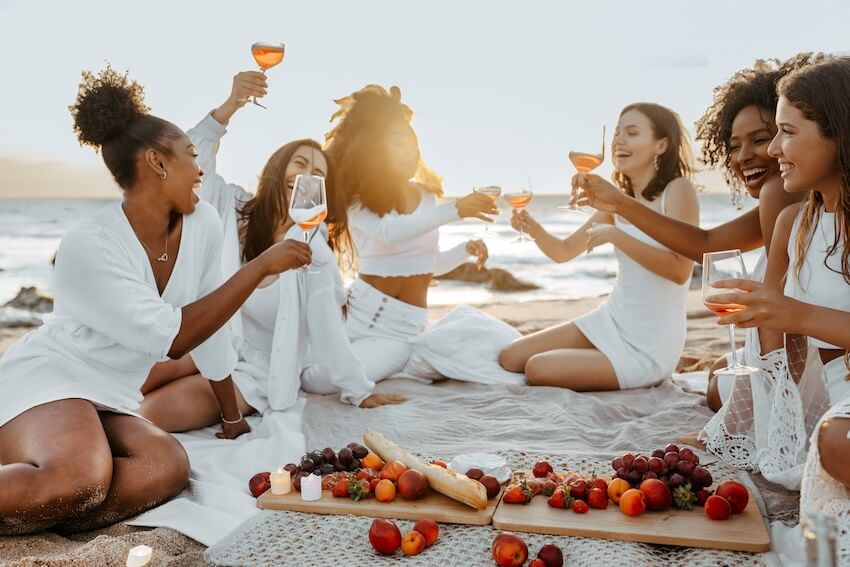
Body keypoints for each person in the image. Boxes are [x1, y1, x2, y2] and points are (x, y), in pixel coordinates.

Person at [0, 67, 311, 534]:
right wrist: (261, 266)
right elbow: (174, 335)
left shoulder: (203, 223)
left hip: (111, 398)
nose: (200, 166)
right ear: (157, 164)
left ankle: (49, 505)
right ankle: (54, 485)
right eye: (190, 155)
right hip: (53, 380)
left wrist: (231, 416)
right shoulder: (89, 244)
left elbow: (210, 327)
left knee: (165, 465)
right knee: (80, 476)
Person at [139, 72, 403, 428]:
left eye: (318, 174)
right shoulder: (232, 208)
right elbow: (188, 162)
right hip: (210, 341)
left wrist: (359, 391)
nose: (307, 176)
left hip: (257, 372)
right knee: (132, 379)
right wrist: (229, 108)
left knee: (151, 415)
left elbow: (328, 330)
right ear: (280, 168)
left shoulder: (312, 248)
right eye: (300, 164)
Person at [576, 54, 824, 408]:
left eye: (762, 138)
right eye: (735, 145)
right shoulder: (794, 197)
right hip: (805, 349)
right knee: (717, 373)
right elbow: (705, 245)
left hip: (802, 359)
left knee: (715, 390)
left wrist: (775, 409)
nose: (745, 156)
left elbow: (779, 317)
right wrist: (621, 204)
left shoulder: (777, 192)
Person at [702, 58, 849, 497]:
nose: (772, 150)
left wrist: (793, 315)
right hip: (827, 393)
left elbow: (793, 315)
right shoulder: (792, 222)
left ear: (838, 132)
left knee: (836, 443)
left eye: (787, 132)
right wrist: (762, 322)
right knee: (725, 388)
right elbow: (776, 344)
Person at [499, 103, 699, 391]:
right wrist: (532, 227)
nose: (619, 140)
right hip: (612, 319)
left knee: (537, 367)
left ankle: (609, 364)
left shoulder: (678, 191)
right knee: (510, 356)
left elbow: (680, 270)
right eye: (617, 133)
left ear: (661, 145)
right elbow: (563, 251)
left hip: (648, 344)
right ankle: (596, 360)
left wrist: (617, 236)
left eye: (631, 133)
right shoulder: (616, 201)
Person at [322, 84, 496, 382]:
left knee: (335, 380)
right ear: (374, 149)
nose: (412, 151)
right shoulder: (355, 200)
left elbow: (428, 265)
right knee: (313, 376)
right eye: (400, 142)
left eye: (414, 143)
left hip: (401, 329)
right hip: (355, 313)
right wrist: (456, 210)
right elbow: (390, 233)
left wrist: (464, 250)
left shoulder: (427, 197)